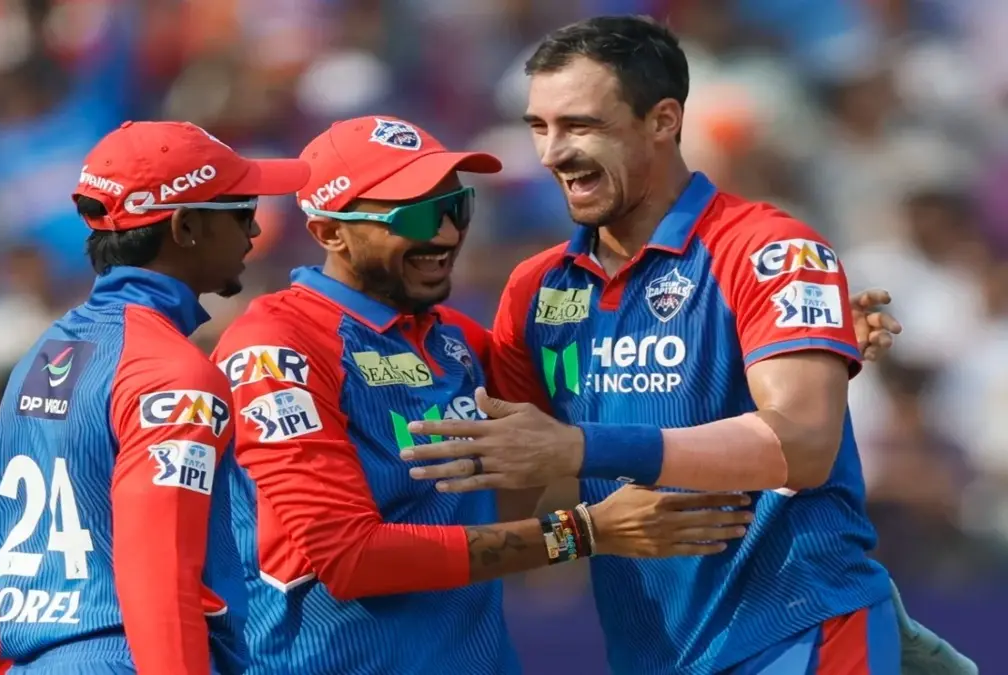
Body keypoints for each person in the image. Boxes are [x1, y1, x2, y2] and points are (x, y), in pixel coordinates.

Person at [205, 115, 896, 674]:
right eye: (413, 219)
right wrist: (583, 533)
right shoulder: (277, 348)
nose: (445, 234)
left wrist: (795, 339)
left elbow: (621, 383)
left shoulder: (456, 343)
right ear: (329, 231)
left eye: (453, 206)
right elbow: (351, 559)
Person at [403, 16, 971, 675]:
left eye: (581, 125)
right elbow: (523, 493)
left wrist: (584, 446)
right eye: (540, 127)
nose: (554, 152)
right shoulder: (536, 288)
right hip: (653, 652)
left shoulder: (769, 248)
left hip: (797, 629)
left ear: (663, 120)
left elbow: (805, 447)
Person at [0, 121, 310, 675]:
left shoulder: (44, 352)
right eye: (242, 209)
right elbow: (163, 577)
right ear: (186, 226)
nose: (253, 231)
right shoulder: (173, 373)